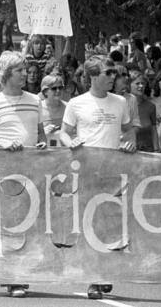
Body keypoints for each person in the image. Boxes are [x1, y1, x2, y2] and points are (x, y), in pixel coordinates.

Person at [59, 56, 135, 300]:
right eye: (108, 73)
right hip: (86, 171)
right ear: (92, 77)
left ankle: (105, 272)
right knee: (89, 224)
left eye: (114, 73)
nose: (113, 78)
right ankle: (93, 277)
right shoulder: (76, 103)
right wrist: (69, 142)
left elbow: (128, 129)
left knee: (110, 224)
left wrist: (131, 141)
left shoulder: (121, 102)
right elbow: (64, 132)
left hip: (113, 172)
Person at [0, 51, 47, 298]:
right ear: (5, 75)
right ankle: (11, 277)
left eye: (25, 70)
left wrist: (42, 145)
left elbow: (41, 133)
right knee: (9, 223)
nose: (25, 74)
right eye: (19, 70)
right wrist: (2, 145)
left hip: (32, 171)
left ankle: (22, 274)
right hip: (5, 173)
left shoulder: (35, 100)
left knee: (29, 222)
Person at [130, 71, 158, 152]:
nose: (141, 86)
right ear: (129, 85)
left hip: (148, 152)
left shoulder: (151, 106)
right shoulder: (123, 105)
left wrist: (156, 150)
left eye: (143, 83)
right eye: (137, 83)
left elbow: (154, 129)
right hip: (128, 152)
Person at [39, 74, 66, 148]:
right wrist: (42, 132)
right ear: (45, 91)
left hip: (63, 152)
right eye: (54, 88)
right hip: (43, 152)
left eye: (60, 88)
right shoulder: (38, 109)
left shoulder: (68, 107)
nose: (58, 91)